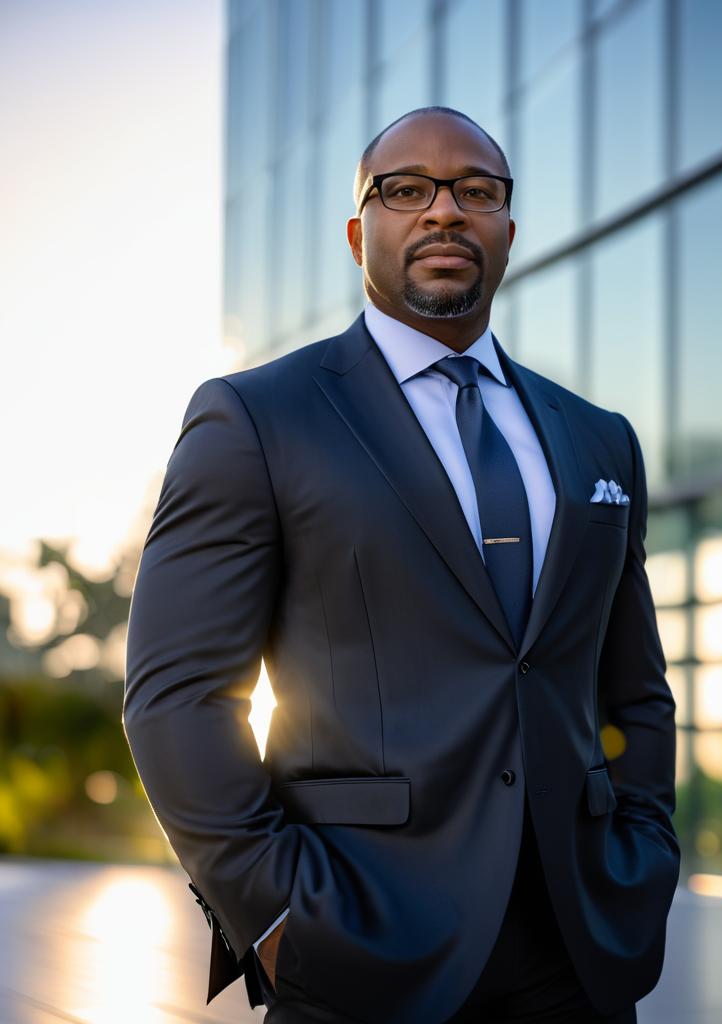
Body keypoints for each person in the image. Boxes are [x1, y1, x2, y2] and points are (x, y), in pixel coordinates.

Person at [123, 106, 680, 1024]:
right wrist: (274, 914)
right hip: (360, 944)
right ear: (358, 233)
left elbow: (634, 692)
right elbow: (176, 698)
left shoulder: (600, 440)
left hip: (581, 949)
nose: (444, 211)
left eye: (476, 191)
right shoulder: (256, 419)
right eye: (406, 190)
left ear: (507, 227)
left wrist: (644, 849)